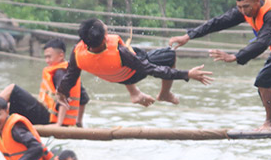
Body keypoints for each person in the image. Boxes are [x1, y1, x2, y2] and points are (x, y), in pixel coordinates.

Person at [169, 0, 271, 131]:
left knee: (263, 81)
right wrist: (188, 36)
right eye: (240, 7)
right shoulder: (245, 10)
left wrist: (235, 57)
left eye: (246, 7)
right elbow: (218, 22)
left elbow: (262, 43)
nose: (243, 11)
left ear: (257, 2)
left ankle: (269, 123)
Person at [56, 18, 213, 109]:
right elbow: (152, 70)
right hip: (133, 72)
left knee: (130, 52)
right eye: (106, 29)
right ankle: (165, 94)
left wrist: (61, 92)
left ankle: (134, 93)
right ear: (104, 38)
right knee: (169, 54)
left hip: (115, 76)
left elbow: (71, 75)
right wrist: (187, 74)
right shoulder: (121, 53)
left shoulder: (77, 53)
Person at [0, 38, 89, 127]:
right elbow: (83, 98)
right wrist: (79, 122)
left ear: (61, 56)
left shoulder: (60, 73)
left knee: (13, 89)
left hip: (48, 119)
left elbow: (64, 97)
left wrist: (59, 125)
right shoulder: (70, 73)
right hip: (50, 117)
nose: (47, 60)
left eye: (49, 56)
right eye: (45, 57)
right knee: (11, 103)